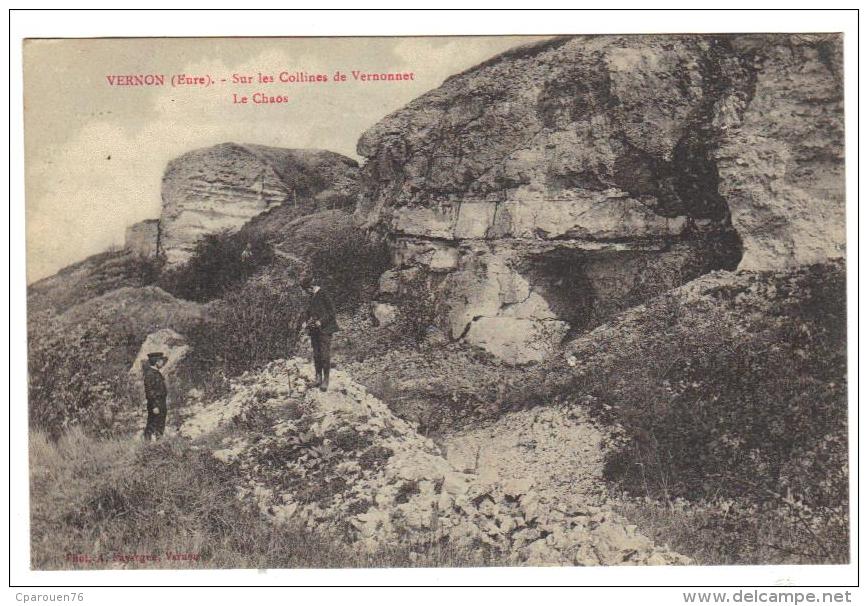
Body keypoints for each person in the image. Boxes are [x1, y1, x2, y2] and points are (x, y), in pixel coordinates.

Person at [299, 274, 339, 391]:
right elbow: (308, 312)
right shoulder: (311, 296)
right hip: (314, 330)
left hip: (325, 329)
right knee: (316, 354)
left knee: (324, 355)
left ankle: (326, 380)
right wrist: (305, 322)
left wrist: (321, 322)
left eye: (306, 290)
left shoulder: (323, 294)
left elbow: (332, 312)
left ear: (310, 287)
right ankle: (318, 378)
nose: (305, 293)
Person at [143, 352, 168, 440]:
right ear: (157, 362)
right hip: (156, 403)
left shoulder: (156, 373)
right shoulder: (150, 374)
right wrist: (154, 406)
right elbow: (149, 392)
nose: (162, 363)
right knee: (153, 424)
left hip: (161, 401)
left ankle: (159, 442)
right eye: (161, 361)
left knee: (160, 423)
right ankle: (147, 443)